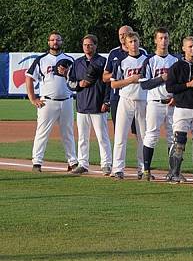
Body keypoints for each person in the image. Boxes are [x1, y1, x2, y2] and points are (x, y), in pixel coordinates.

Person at [26, 32, 78, 172]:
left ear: (62, 42)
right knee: (42, 132)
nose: (55, 42)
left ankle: (72, 161)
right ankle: (37, 162)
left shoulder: (69, 59)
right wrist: (32, 98)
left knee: (68, 133)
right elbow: (29, 77)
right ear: (48, 42)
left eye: (58, 40)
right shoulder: (41, 59)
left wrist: (66, 73)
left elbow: (75, 80)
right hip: (47, 102)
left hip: (66, 100)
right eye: (52, 40)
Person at [65, 34, 112, 175]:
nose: (87, 47)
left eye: (90, 44)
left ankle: (106, 164)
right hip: (82, 105)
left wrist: (107, 101)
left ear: (95, 46)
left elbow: (108, 84)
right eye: (85, 45)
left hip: (98, 105)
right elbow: (70, 82)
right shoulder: (77, 63)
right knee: (82, 137)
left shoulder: (103, 61)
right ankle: (83, 164)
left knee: (102, 137)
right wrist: (79, 84)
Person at [140, 28, 178, 181]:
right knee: (151, 136)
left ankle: (173, 171)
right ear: (155, 40)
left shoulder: (175, 61)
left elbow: (179, 82)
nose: (163, 41)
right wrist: (161, 78)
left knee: (173, 137)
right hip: (155, 102)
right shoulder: (150, 60)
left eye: (166, 38)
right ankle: (146, 170)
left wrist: (176, 97)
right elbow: (144, 84)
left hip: (171, 103)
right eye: (160, 38)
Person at [109, 32, 148, 180]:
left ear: (139, 42)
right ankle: (118, 168)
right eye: (130, 42)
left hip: (143, 100)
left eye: (135, 41)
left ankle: (143, 168)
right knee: (120, 135)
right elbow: (113, 83)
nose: (133, 44)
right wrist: (130, 80)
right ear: (125, 44)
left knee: (143, 136)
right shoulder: (121, 62)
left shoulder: (147, 60)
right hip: (125, 100)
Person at [165, 36, 193, 183]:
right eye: (190, 47)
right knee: (179, 142)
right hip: (182, 108)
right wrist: (188, 85)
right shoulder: (177, 67)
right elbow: (170, 87)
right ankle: (174, 173)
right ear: (183, 48)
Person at [103, 25, 147, 132]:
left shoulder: (142, 53)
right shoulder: (114, 53)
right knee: (119, 131)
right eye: (120, 35)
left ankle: (141, 149)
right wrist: (120, 76)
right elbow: (105, 77)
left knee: (139, 131)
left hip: (138, 96)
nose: (122, 37)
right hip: (117, 96)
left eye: (125, 34)